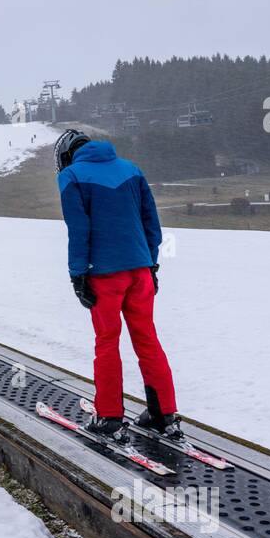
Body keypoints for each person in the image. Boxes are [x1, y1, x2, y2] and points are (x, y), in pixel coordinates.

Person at [55, 128, 179, 441]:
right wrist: (150, 264)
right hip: (139, 270)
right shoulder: (131, 169)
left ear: (66, 156)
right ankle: (164, 414)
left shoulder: (71, 176)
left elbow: (79, 230)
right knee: (147, 339)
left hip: (103, 274)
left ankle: (109, 417)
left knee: (107, 341)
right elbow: (152, 223)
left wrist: (78, 274)